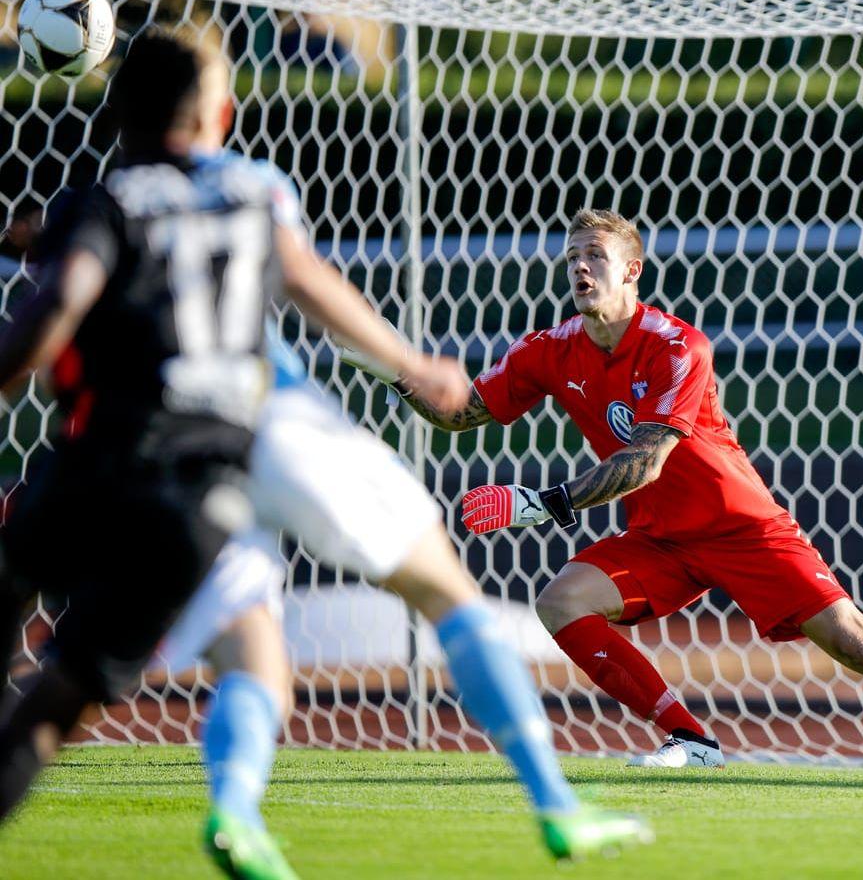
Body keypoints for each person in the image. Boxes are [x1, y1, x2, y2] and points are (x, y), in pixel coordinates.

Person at [379, 208, 863, 787]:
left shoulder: (678, 345)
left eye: (595, 256)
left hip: (742, 526)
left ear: (632, 270)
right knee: (561, 601)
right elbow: (464, 411)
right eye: (572, 259)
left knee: (857, 642)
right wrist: (395, 369)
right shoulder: (550, 348)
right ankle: (691, 738)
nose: (580, 269)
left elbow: (645, 460)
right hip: (661, 539)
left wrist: (544, 502)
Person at [0, 25, 468, 858]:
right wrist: (413, 363)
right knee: (57, 704)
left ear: (115, 112)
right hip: (199, 495)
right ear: (219, 116)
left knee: (11, 582)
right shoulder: (253, 205)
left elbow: (63, 301)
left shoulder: (105, 202)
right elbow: (309, 278)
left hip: (96, 463)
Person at [157, 325, 652, 875]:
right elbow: (303, 280)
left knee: (250, 658)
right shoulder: (226, 259)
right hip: (275, 420)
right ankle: (558, 805)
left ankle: (234, 814)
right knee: (450, 594)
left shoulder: (99, 268)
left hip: (167, 453)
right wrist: (407, 363)